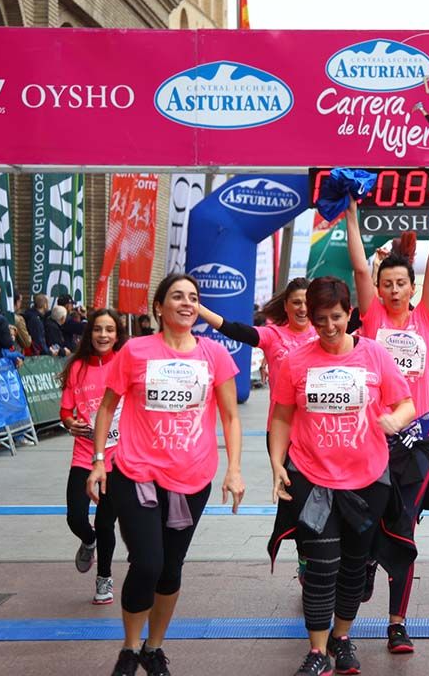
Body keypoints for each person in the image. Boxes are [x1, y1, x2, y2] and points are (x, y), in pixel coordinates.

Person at [87, 273, 245, 676]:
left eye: (193, 297)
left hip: (193, 477)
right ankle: (129, 647)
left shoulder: (214, 355)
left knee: (171, 566)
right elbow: (107, 407)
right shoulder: (136, 351)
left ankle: (153, 649)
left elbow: (230, 415)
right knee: (147, 563)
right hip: (136, 473)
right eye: (177, 296)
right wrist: (99, 460)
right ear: (159, 307)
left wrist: (235, 470)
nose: (187, 303)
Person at [266, 277, 415, 676]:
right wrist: (277, 463)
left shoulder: (375, 355)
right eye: (319, 320)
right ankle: (317, 652)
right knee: (321, 566)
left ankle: (342, 638)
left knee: (354, 567)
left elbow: (406, 403)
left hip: (368, 480)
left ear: (349, 314)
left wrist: (394, 420)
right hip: (313, 479)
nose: (329, 327)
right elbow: (281, 415)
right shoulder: (297, 361)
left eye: (335, 317)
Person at [345, 174, 429, 654]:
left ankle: (396, 623)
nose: (391, 289)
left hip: (415, 442)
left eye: (400, 283)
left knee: (406, 531)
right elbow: (358, 269)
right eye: (386, 283)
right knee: (366, 526)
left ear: (410, 288)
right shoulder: (370, 317)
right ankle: (366, 562)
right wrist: (350, 212)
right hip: (370, 442)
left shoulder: (425, 318)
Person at [60, 308, 126, 605]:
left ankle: (104, 578)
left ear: (117, 334)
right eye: (98, 329)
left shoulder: (126, 364)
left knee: (106, 522)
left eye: (109, 330)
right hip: (84, 455)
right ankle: (88, 541)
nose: (103, 335)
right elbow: (65, 411)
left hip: (116, 457)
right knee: (75, 516)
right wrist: (69, 422)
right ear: (90, 334)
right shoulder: (77, 367)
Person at [199, 277, 316, 440]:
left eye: (308, 302)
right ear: (285, 305)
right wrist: (196, 307)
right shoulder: (273, 335)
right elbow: (234, 330)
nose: (303, 309)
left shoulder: (324, 335)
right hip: (282, 429)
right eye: (296, 302)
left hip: (317, 428)